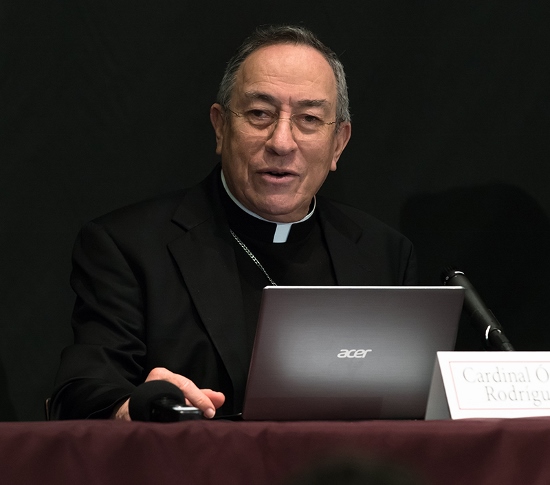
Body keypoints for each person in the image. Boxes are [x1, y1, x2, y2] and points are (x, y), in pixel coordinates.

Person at [51, 25, 417, 420]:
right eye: (260, 114)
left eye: (309, 119)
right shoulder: (128, 247)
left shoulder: (384, 254)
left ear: (339, 143)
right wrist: (138, 405)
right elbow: (80, 393)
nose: (282, 142)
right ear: (221, 127)